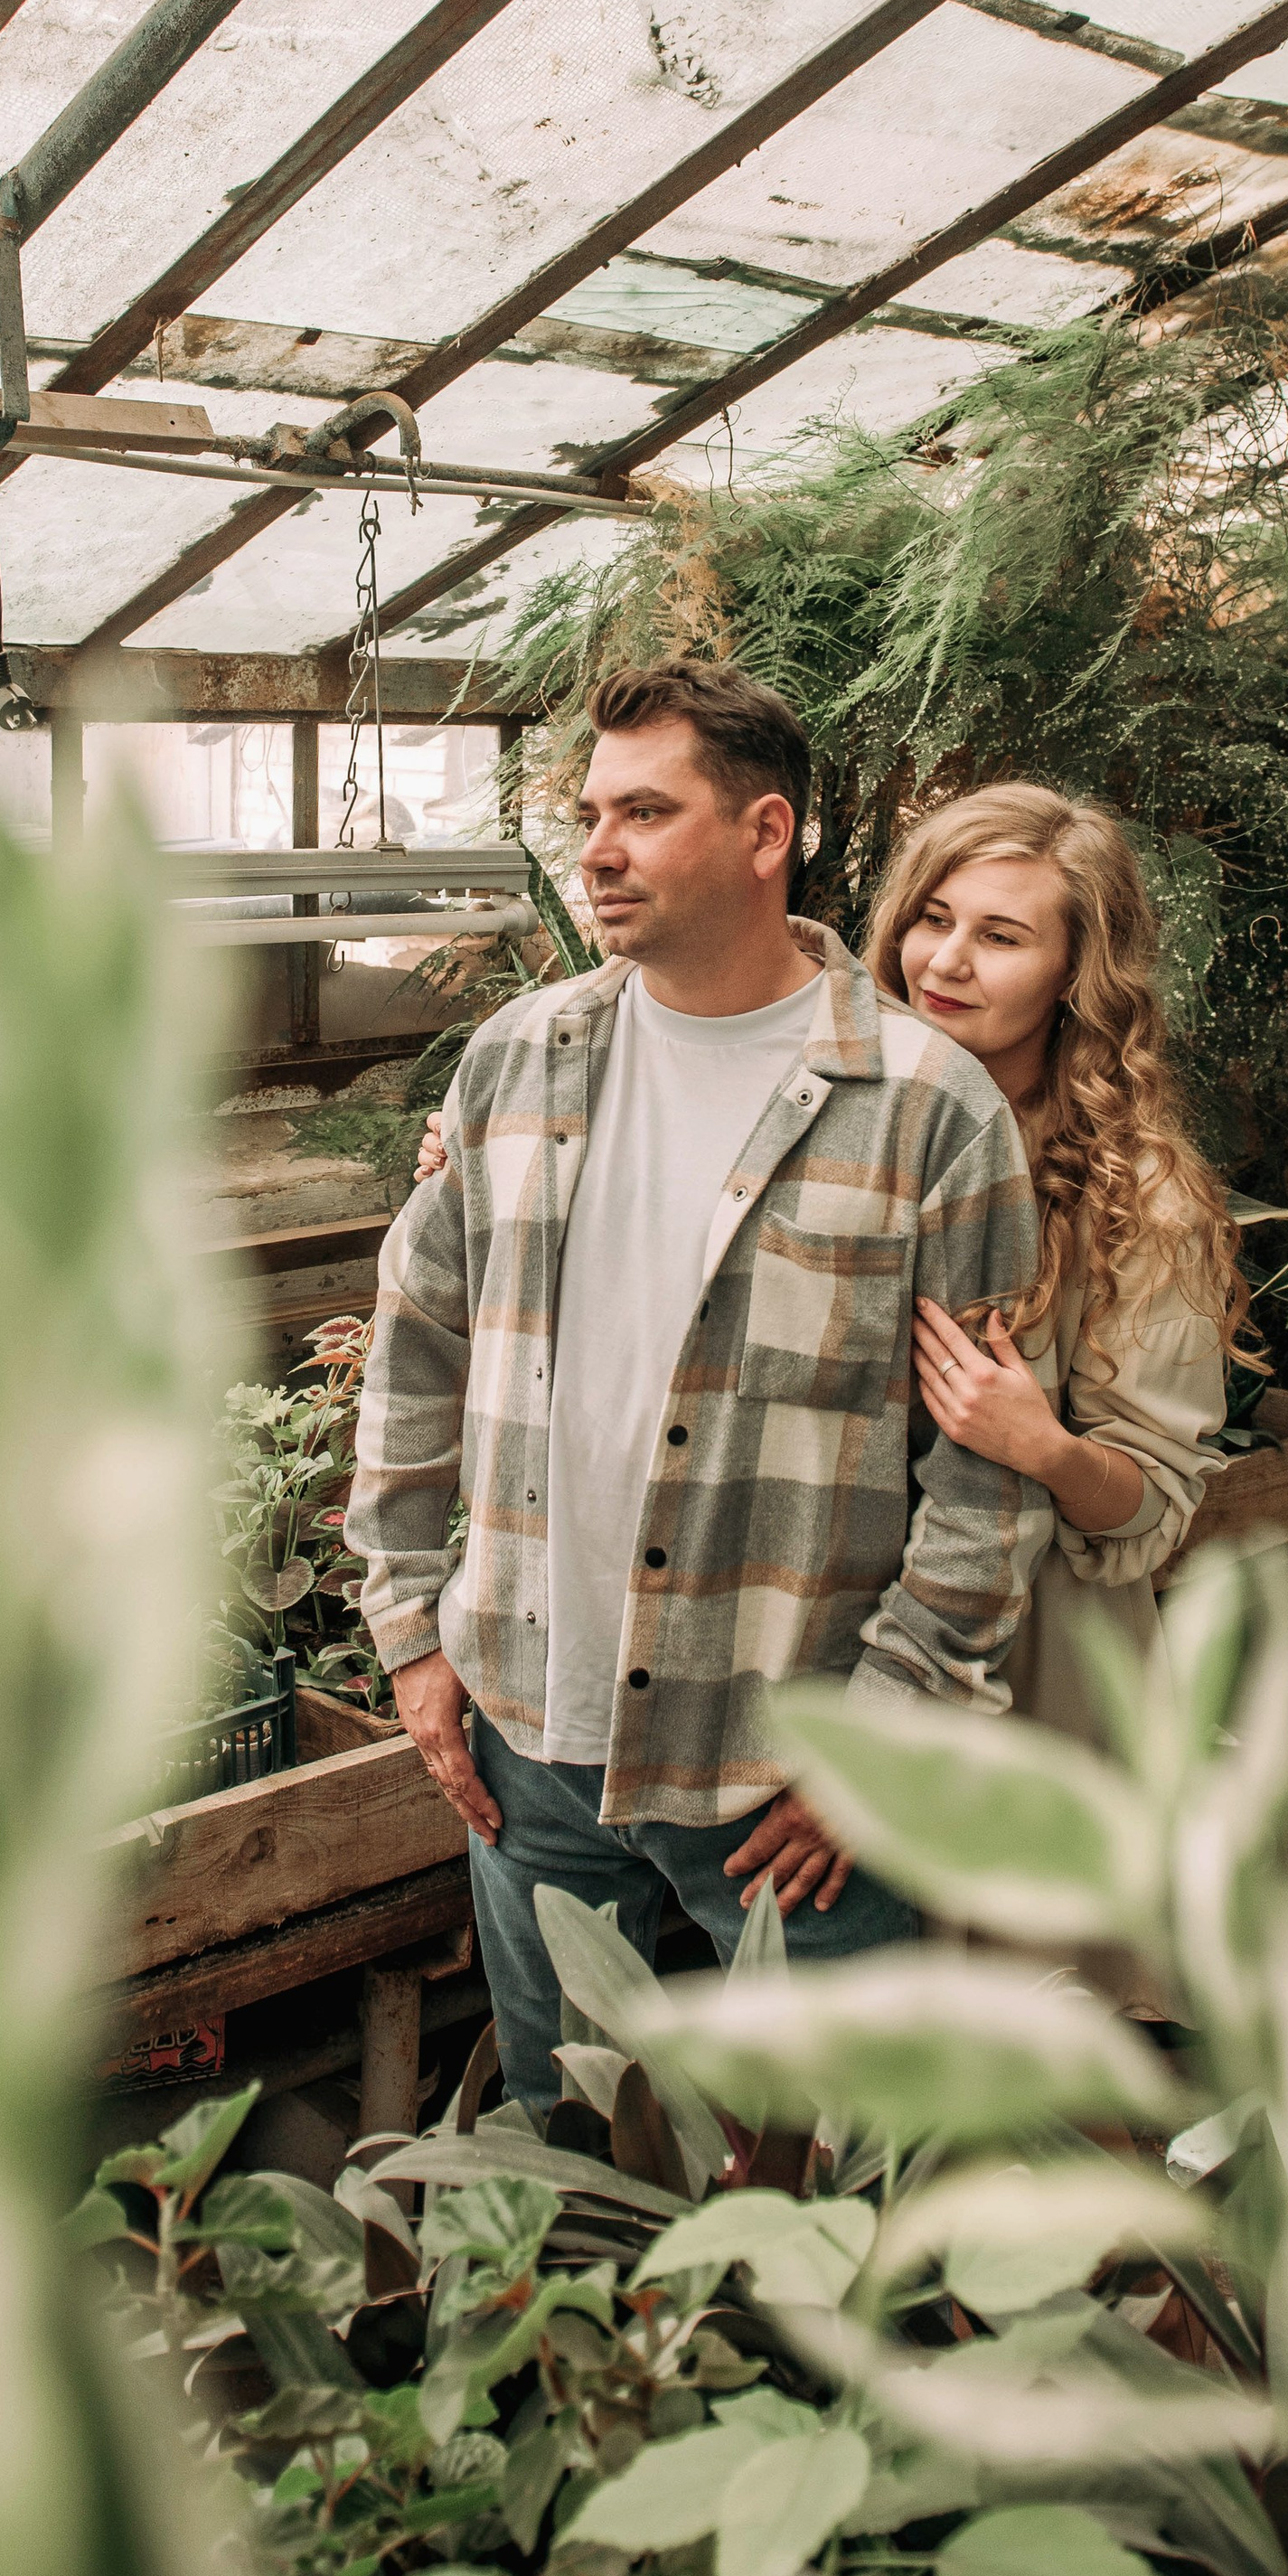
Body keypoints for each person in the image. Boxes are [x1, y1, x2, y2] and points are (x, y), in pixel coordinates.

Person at [343, 661, 1053, 2123]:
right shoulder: (514, 1068)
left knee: (850, 2168)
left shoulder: (929, 1115)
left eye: (645, 812)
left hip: (784, 1781)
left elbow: (985, 1485)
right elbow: (415, 1346)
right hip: (527, 1743)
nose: (594, 849)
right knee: (568, 2145)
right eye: (590, 812)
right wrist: (412, 1635)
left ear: (765, 831)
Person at [872, 784, 1237, 1738]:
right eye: (933, 918)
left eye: (999, 938)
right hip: (832, 1640)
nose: (944, 962)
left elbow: (1151, 1505)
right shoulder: (829, 1116)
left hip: (1035, 1673)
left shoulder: (1137, 1195)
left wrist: (1042, 1447)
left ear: (1076, 971)